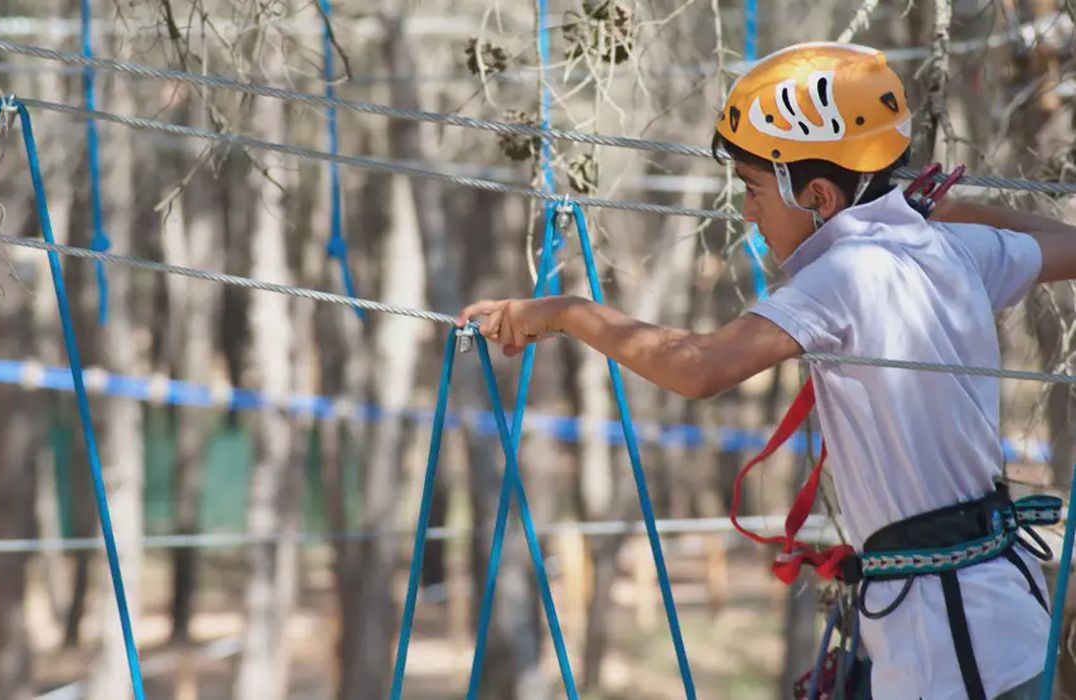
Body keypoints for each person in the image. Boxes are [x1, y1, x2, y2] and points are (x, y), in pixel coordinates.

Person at [457, 42, 1076, 700]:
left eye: (754, 190)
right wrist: (948, 213)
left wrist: (567, 312)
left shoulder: (848, 271)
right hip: (993, 618)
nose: (748, 212)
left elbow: (699, 367)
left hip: (950, 648)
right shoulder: (951, 248)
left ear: (816, 194)